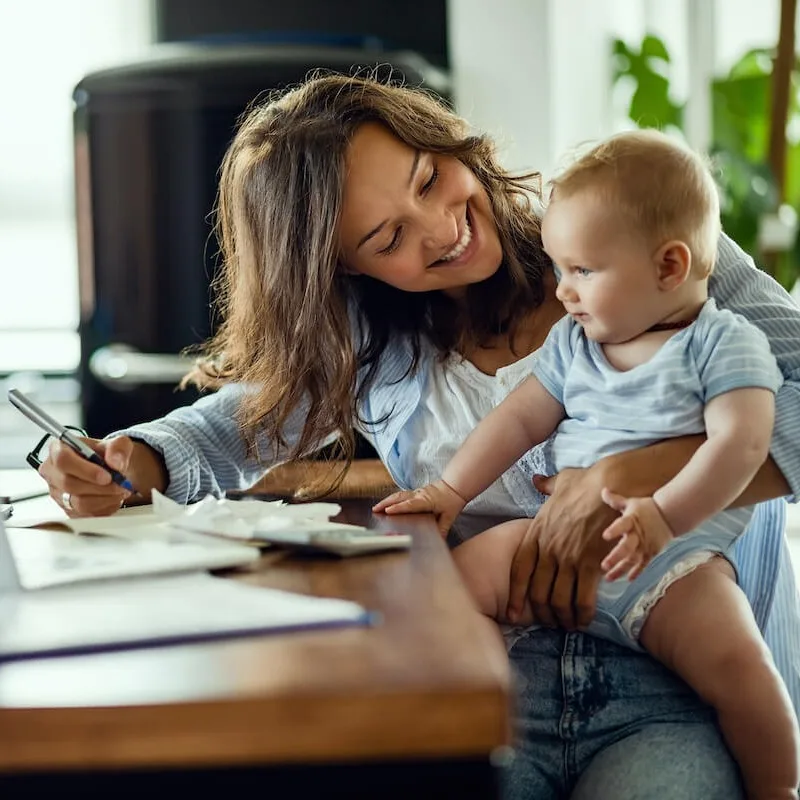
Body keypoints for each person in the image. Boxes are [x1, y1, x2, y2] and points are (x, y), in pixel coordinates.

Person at [36, 73, 800, 799]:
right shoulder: (375, 344)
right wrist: (133, 458)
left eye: (430, 178)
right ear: (343, 270)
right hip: (500, 677)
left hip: (686, 678)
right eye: (387, 236)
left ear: (445, 141)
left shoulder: (642, 243)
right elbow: (224, 431)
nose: (442, 229)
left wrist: (637, 475)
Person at [373, 128, 799, 798]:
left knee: (739, 664)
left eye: (583, 272)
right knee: (451, 585)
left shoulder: (723, 342)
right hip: (551, 540)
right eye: (560, 268)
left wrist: (659, 512)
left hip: (674, 560)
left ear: (668, 267)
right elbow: (518, 418)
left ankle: (778, 786)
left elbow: (741, 447)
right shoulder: (576, 344)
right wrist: (451, 490)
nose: (563, 291)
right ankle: (476, 714)